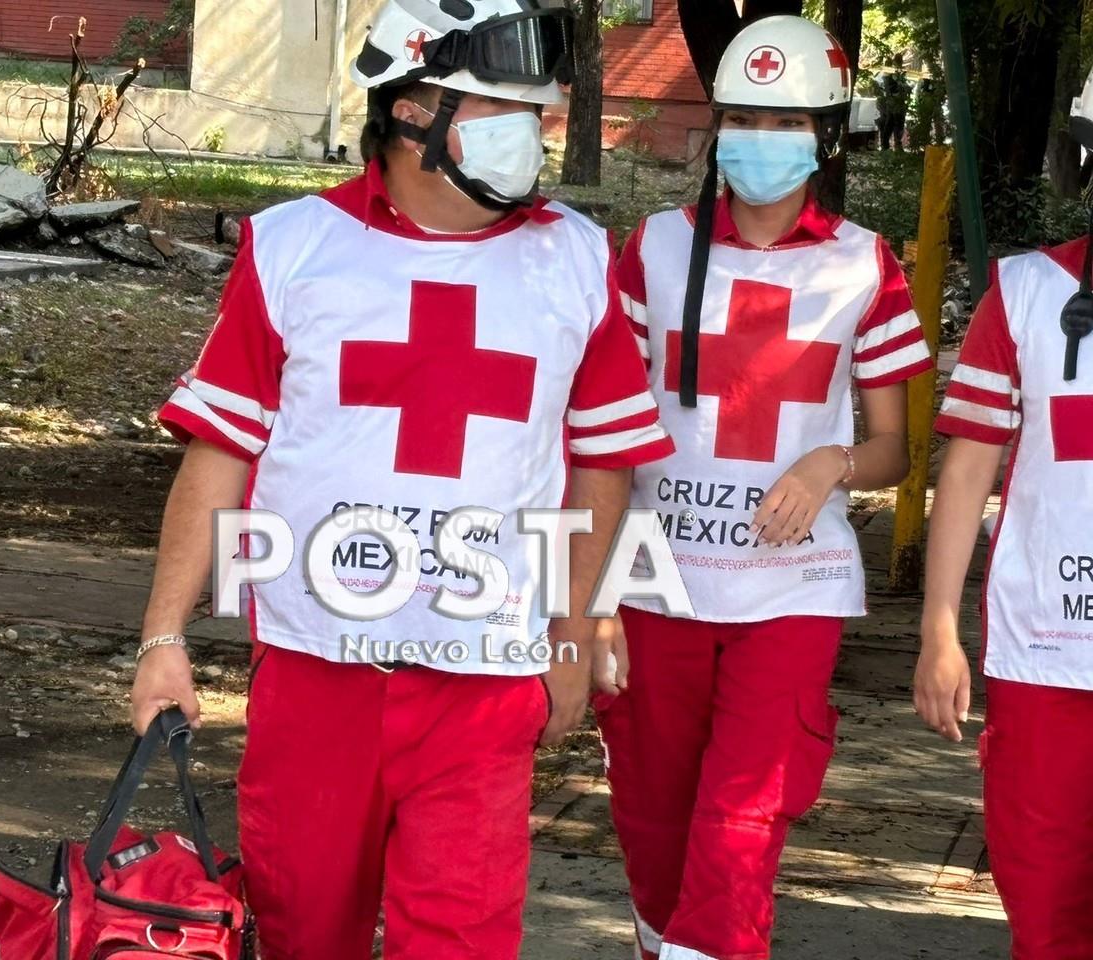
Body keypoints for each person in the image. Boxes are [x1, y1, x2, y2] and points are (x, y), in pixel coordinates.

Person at [129, 1, 673, 957]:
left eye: (538, 117)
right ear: (413, 110)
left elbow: (603, 463)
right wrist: (162, 637)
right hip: (313, 675)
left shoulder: (579, 260)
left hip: (485, 682)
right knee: (304, 933)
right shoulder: (292, 246)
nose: (532, 138)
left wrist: (572, 631)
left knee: (462, 941)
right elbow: (221, 448)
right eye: (504, 112)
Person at [594, 16, 933, 960]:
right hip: (656, 574)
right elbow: (604, 435)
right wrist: (591, 592)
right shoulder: (654, 248)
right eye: (744, 116)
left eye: (786, 122)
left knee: (743, 819)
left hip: (796, 582)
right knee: (654, 817)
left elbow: (895, 450)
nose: (761, 140)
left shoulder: (867, 263)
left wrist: (834, 462)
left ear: (823, 135)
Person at [914, 65, 1093, 960]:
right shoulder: (1025, 293)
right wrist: (939, 630)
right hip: (1047, 658)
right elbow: (967, 469)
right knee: (1047, 908)